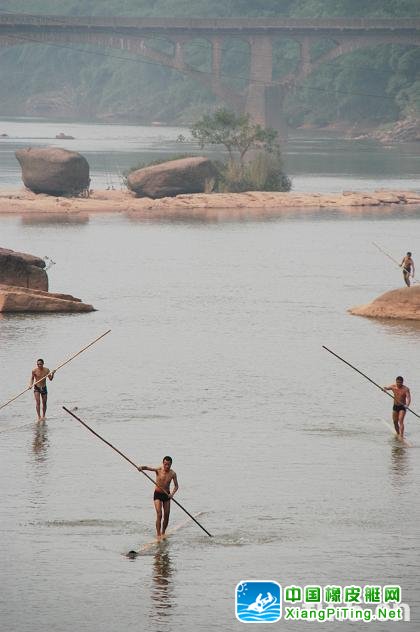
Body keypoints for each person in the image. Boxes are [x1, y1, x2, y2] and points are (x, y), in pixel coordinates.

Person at [138, 456, 179, 538]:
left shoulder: (173, 474)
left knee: (167, 515)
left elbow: (176, 486)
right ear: (163, 463)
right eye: (165, 464)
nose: (166, 466)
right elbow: (148, 468)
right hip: (158, 494)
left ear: (171, 464)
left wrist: (172, 494)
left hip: (167, 495)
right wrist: (141, 468)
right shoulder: (159, 470)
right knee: (159, 514)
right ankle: (158, 534)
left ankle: (163, 532)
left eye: (168, 465)